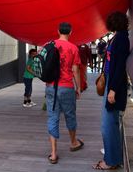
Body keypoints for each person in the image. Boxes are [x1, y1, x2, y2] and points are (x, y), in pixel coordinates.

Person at [93, 11, 131, 170]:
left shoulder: (121, 39)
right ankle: (113, 158)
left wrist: (113, 90)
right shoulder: (118, 37)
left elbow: (120, 66)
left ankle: (111, 161)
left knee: (108, 125)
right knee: (111, 124)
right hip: (111, 81)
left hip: (115, 84)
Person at [46, 22, 84, 164]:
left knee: (52, 116)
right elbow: (75, 70)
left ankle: (54, 153)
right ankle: (73, 142)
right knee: (70, 115)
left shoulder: (49, 45)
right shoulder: (73, 48)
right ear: (71, 32)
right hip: (67, 87)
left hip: (51, 87)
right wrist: (78, 88)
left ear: (58, 31)